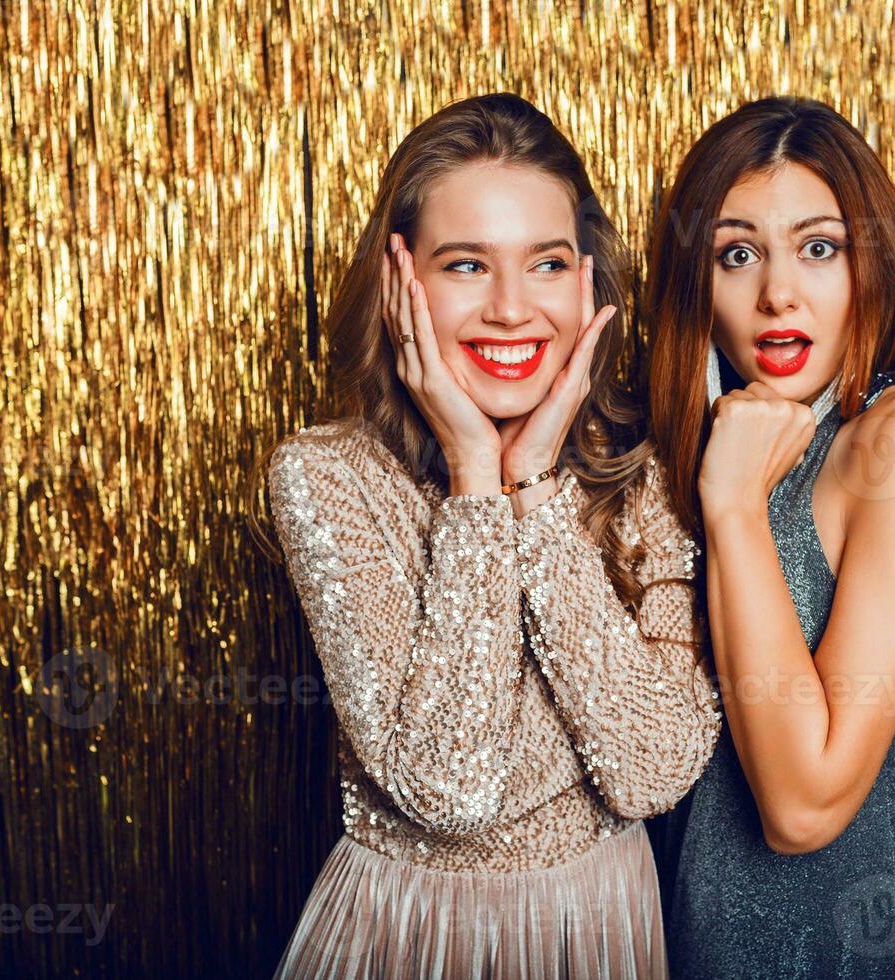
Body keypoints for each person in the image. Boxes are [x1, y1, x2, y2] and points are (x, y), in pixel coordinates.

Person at [258, 92, 721, 979]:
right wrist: (480, 475)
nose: (512, 309)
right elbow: (449, 786)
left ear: (589, 278)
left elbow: (655, 772)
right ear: (401, 285)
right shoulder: (328, 476)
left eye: (545, 263)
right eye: (467, 265)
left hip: (599, 930)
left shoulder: (645, 472)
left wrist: (538, 487)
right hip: (412, 936)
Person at [642, 95, 895, 978]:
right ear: (698, 282)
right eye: (738, 253)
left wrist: (732, 507)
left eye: (819, 247)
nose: (778, 292)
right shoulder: (710, 446)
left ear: (871, 265)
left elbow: (804, 808)